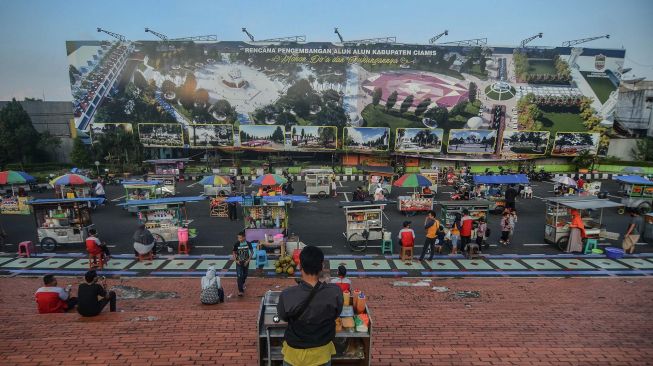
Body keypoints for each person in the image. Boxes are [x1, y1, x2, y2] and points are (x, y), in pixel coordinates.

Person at [277, 246, 344, 366]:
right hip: (322, 354)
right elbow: (336, 313)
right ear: (322, 266)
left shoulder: (287, 295)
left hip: (294, 355)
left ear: (299, 266)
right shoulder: (335, 293)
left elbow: (283, 317)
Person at [232, 231, 253, 296]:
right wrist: (236, 260)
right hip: (239, 262)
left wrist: (248, 261)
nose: (239, 239)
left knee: (245, 274)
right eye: (238, 238)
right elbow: (234, 252)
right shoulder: (237, 244)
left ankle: (242, 282)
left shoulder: (248, 243)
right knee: (239, 276)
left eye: (240, 238)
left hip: (246, 262)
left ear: (244, 237)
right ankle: (240, 291)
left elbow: (252, 252)